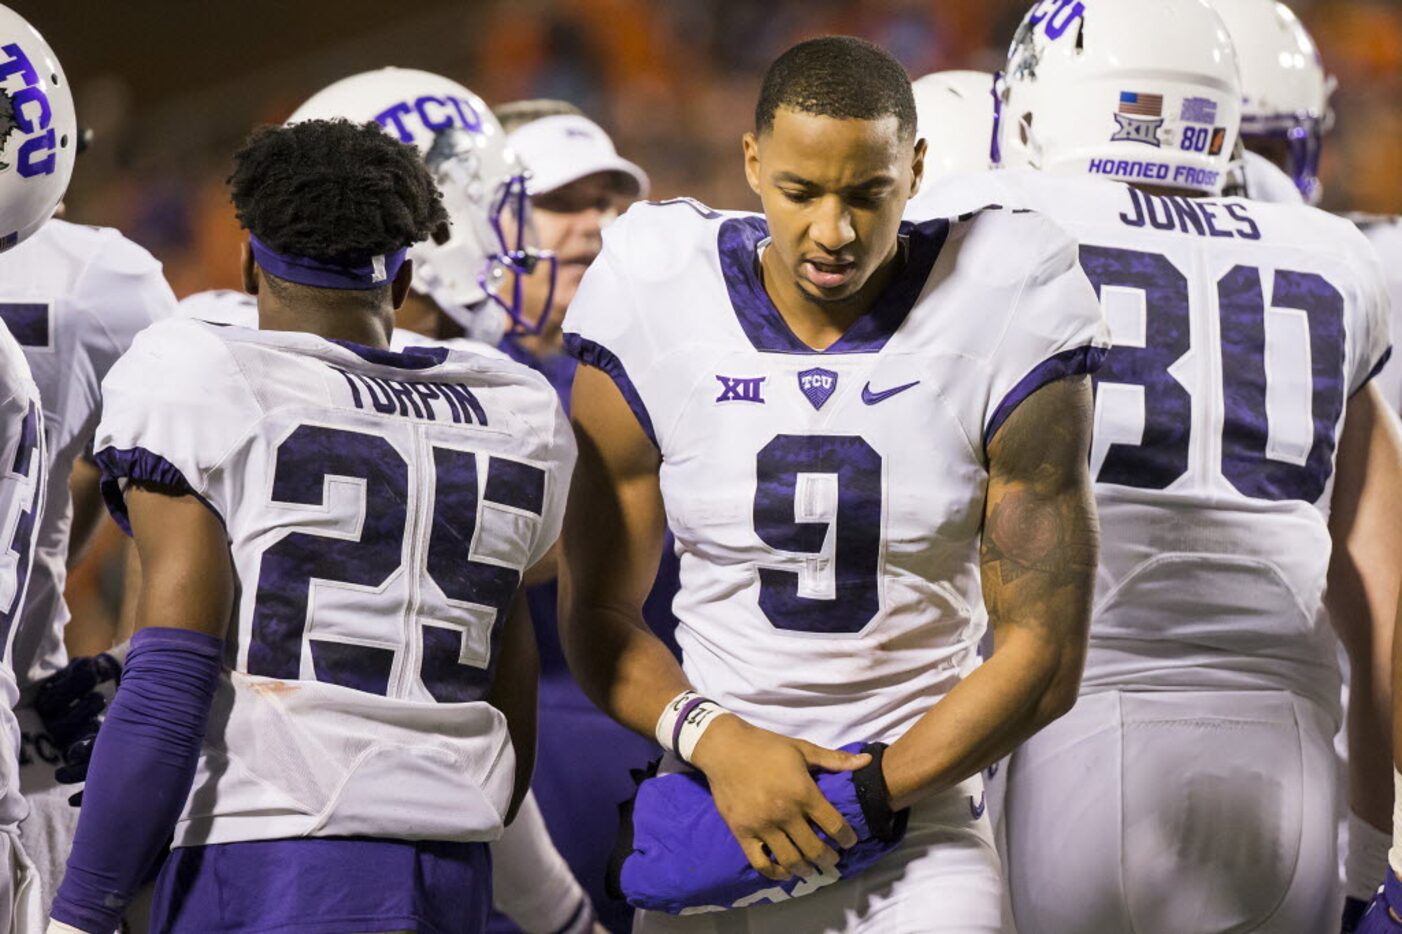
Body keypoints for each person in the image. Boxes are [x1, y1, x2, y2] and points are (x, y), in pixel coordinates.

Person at [561, 35, 1107, 931]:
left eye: (867, 193)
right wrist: (718, 739)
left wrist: (869, 797)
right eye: (800, 191)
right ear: (751, 161)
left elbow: (1044, 655)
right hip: (717, 812)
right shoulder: (656, 288)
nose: (833, 231)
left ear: (918, 168)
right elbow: (597, 614)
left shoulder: (1008, 293)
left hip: (917, 825)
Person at [912, 0, 1399, 929]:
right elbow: (1383, 583)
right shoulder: (1337, 254)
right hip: (1291, 736)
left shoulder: (990, 220)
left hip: (1075, 719)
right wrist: (1375, 847)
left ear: (1039, 105)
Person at [46, 118, 575, 934]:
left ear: (250, 259)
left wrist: (81, 910)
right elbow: (513, 668)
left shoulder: (202, 370)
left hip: (269, 856)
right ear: (401, 281)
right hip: (450, 865)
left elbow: (169, 680)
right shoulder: (513, 403)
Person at [0, 6, 177, 915]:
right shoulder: (97, 279)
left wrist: (145, 669)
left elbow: (177, 492)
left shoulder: (99, 281)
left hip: (23, 731)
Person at [490, 98, 668, 934]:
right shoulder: (463, 383)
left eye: (608, 202)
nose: (594, 226)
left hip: (665, 725)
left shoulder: (666, 365)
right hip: (523, 740)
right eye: (563, 203)